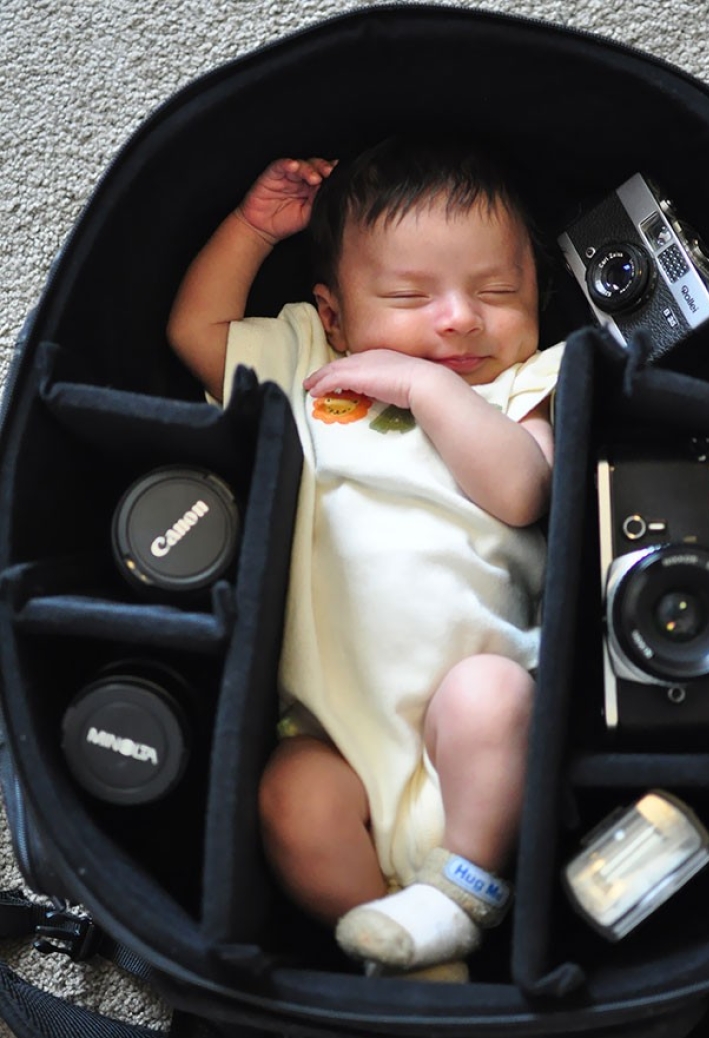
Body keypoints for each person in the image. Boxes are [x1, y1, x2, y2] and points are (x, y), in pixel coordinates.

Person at [167, 137, 564, 979]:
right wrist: (251, 229)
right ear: (336, 314)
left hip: (476, 727)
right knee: (288, 794)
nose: (460, 317)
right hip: (332, 731)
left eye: (497, 291)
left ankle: (459, 891)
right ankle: (397, 952)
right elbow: (195, 332)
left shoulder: (521, 383)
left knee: (493, 698)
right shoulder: (313, 361)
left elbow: (522, 490)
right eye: (408, 295)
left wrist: (428, 387)